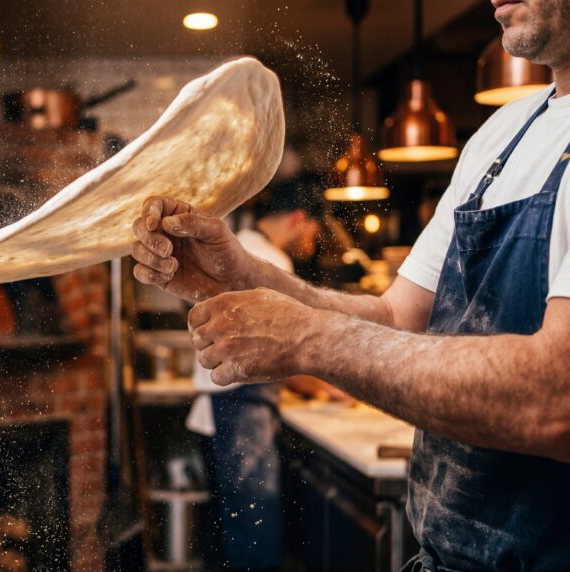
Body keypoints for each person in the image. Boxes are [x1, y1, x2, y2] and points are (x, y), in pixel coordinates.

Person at [130, 0, 570, 569]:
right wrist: (247, 277)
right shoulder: (501, 135)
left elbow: (555, 397)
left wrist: (309, 339)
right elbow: (394, 318)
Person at [186, 175, 337, 571]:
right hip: (242, 406)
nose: (311, 241)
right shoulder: (272, 264)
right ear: (299, 218)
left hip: (223, 404)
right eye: (314, 231)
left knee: (234, 523)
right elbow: (283, 349)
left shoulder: (240, 249)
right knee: (256, 524)